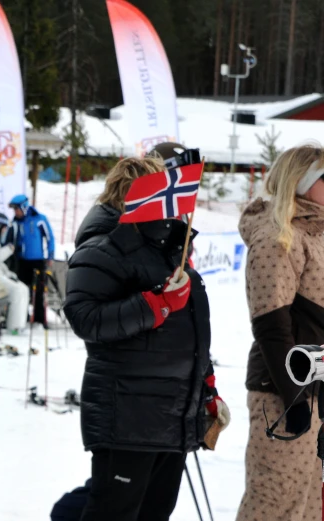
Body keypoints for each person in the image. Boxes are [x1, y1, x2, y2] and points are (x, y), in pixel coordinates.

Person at [63, 156, 229, 521]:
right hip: (127, 416)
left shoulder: (168, 250)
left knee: (155, 513)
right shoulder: (102, 249)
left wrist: (206, 385)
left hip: (173, 413)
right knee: (113, 513)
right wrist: (158, 304)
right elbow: (84, 317)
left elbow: (190, 335)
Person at [236, 145, 324, 521]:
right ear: (301, 183)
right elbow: (272, 328)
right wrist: (294, 398)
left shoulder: (316, 232)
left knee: (306, 507)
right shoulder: (278, 238)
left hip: (316, 391)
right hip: (282, 394)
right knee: (274, 502)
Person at [5, 194, 55, 327]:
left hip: (38, 260)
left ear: (24, 207)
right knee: (22, 289)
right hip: (22, 261)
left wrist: (50, 255)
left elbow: (50, 238)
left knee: (39, 290)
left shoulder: (39, 219)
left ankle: (39, 319)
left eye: (17, 209)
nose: (15, 212)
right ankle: (23, 317)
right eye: (14, 210)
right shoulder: (15, 222)